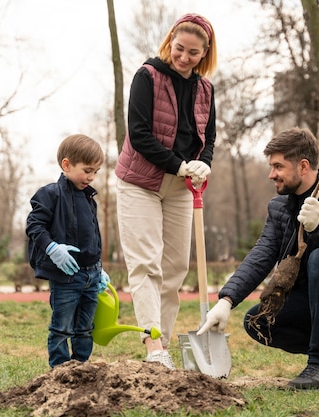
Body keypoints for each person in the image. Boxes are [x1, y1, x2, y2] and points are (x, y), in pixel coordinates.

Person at [198, 127, 319, 390]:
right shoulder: (279, 206)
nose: (271, 174)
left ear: (303, 166)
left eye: (278, 166)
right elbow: (262, 254)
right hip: (312, 300)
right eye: (271, 166)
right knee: (259, 322)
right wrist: (227, 299)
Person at [115, 13, 218, 369]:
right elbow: (139, 134)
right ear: (170, 41)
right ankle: (153, 346)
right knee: (146, 264)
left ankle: (165, 350)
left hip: (181, 186)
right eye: (179, 48)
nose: (184, 57)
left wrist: (204, 162)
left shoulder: (206, 89)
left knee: (174, 268)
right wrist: (179, 164)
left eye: (193, 52)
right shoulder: (148, 76)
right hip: (140, 181)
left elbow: (209, 138)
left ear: (204, 53)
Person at [26, 134, 110, 368]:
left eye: (97, 171)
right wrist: (52, 248)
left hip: (91, 276)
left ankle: (81, 368)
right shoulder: (50, 194)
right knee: (62, 327)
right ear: (66, 165)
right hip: (66, 277)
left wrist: (99, 268)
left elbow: (93, 236)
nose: (92, 177)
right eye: (87, 170)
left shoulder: (89, 198)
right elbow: (34, 225)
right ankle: (61, 372)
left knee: (85, 328)